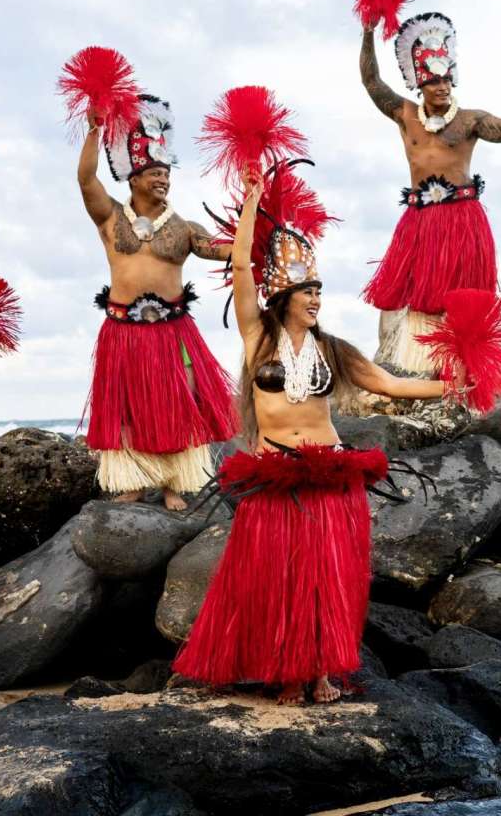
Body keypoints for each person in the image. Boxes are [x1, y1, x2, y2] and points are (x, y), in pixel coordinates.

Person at [172, 161, 451, 704]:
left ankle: (320, 671)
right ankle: (286, 671)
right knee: (277, 577)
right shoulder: (257, 336)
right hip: (275, 474)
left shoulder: (332, 348)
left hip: (329, 474)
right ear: (285, 297)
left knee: (325, 578)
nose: (317, 298)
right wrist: (252, 200)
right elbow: (242, 268)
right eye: (308, 291)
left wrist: (454, 388)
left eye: (320, 290)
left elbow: (390, 384)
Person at [359, 12, 501, 373]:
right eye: (434, 82)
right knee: (398, 294)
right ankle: (397, 364)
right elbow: (371, 81)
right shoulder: (405, 114)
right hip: (417, 220)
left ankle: (461, 371)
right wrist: (367, 31)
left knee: (461, 298)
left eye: (447, 80)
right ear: (419, 85)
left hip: (462, 221)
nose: (443, 87)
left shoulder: (469, 121)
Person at [78, 95, 238, 510]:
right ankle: (134, 479)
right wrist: (94, 131)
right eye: (154, 172)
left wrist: (254, 219)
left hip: (173, 330)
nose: (163, 179)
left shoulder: (185, 229)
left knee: (179, 401)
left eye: (166, 173)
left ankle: (172, 483)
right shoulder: (110, 218)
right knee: (128, 407)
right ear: (133, 177)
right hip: (122, 329)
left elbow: (227, 251)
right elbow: (85, 180)